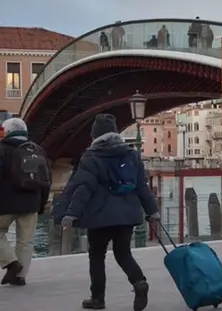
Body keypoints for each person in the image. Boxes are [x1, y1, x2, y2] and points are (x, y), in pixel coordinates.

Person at [58, 114, 160, 311]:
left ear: (95, 134)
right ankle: (139, 282)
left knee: (96, 256)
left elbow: (83, 189)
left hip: (100, 216)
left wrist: (71, 213)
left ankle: (97, 298)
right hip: (127, 216)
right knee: (123, 254)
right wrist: (152, 211)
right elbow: (141, 187)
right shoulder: (131, 155)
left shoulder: (91, 156)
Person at [0, 118, 50, 287]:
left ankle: (11, 263)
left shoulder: (2, 150)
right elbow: (46, 180)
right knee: (25, 240)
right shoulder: (37, 151)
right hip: (31, 203)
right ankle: (19, 277)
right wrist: (41, 204)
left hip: (5, 204)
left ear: (7, 132)